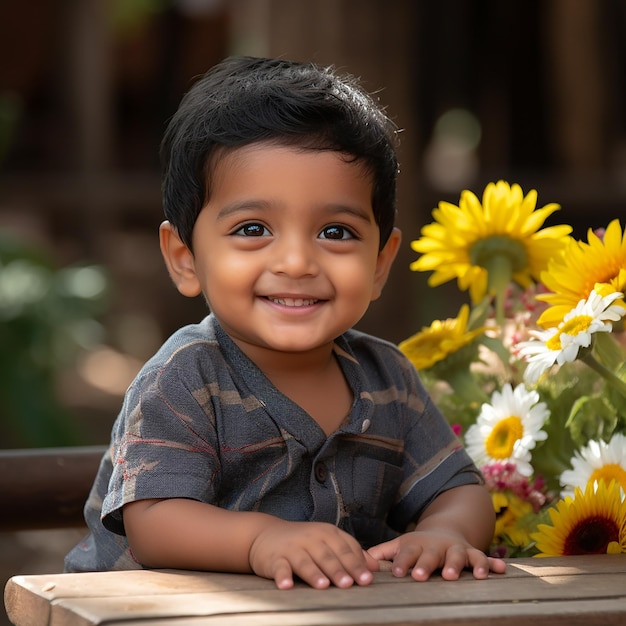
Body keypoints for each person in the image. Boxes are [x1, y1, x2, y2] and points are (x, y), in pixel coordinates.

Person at [65, 56, 506, 590]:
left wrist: (445, 530)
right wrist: (259, 540)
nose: (296, 262)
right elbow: (154, 522)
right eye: (253, 228)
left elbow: (457, 488)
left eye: (336, 232)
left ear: (381, 264)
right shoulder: (185, 377)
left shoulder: (387, 378)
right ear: (184, 256)